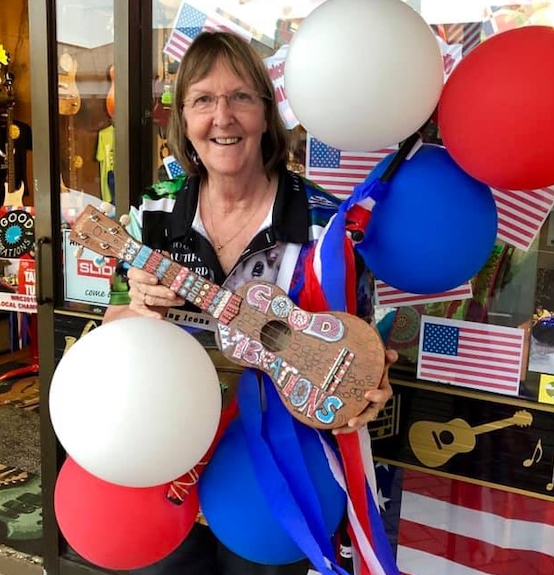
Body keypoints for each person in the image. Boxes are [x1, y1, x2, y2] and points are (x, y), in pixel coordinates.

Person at [102, 31, 396, 575]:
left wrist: (367, 392)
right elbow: (113, 322)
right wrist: (135, 311)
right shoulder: (152, 213)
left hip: (275, 468)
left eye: (240, 96)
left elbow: (360, 342)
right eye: (203, 100)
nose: (223, 117)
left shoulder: (324, 224)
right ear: (184, 121)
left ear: (266, 112)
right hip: (166, 444)